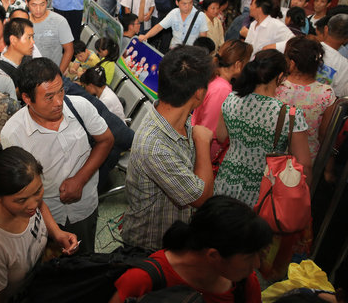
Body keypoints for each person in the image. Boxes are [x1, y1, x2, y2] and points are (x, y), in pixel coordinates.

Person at [0, 58, 114, 253]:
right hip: (42, 215)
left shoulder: (80, 107)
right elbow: (25, 191)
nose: (59, 102)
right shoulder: (13, 134)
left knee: (87, 259)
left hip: (84, 206)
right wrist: (55, 231)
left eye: (61, 90)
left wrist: (80, 179)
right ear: (27, 98)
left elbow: (106, 140)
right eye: (49, 97)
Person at [121, 45, 214, 252]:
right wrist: (203, 143)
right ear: (198, 94)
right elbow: (201, 197)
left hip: (172, 238)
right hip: (149, 248)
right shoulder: (155, 146)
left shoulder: (179, 120)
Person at [0, 144, 79, 302]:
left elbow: (39, 205)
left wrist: (57, 234)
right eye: (21, 200)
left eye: (38, 191)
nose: (33, 204)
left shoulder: (26, 203)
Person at [110, 196, 271, 303]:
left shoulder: (244, 283)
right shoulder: (142, 280)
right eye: (249, 257)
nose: (256, 264)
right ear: (214, 255)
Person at [214, 49, 312, 207]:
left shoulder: (231, 98)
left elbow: (221, 136)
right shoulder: (289, 115)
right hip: (264, 191)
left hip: (227, 181)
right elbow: (304, 164)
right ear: (280, 77)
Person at [275, 36, 336, 163]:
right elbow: (325, 135)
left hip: (273, 158)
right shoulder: (326, 93)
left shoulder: (276, 84)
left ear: (291, 63)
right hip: (306, 160)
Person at [191, 40, 253, 159]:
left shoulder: (215, 78)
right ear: (238, 64)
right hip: (205, 149)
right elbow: (209, 129)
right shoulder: (223, 90)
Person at [140, 0, 208, 49]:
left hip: (190, 53)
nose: (187, 6)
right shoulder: (174, 13)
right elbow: (159, 27)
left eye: (190, 3)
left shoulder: (200, 16)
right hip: (174, 51)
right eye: (184, 4)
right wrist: (145, 36)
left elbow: (203, 38)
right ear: (177, 3)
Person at [27, 0, 74, 73]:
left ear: (47, 2)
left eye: (42, 4)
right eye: (34, 5)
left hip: (53, 73)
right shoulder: (23, 22)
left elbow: (69, 50)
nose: (38, 9)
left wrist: (59, 74)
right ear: (26, 2)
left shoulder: (60, 21)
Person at [0, 17, 35, 89]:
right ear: (13, 40)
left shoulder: (29, 60)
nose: (33, 42)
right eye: (29, 37)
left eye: (33, 37)